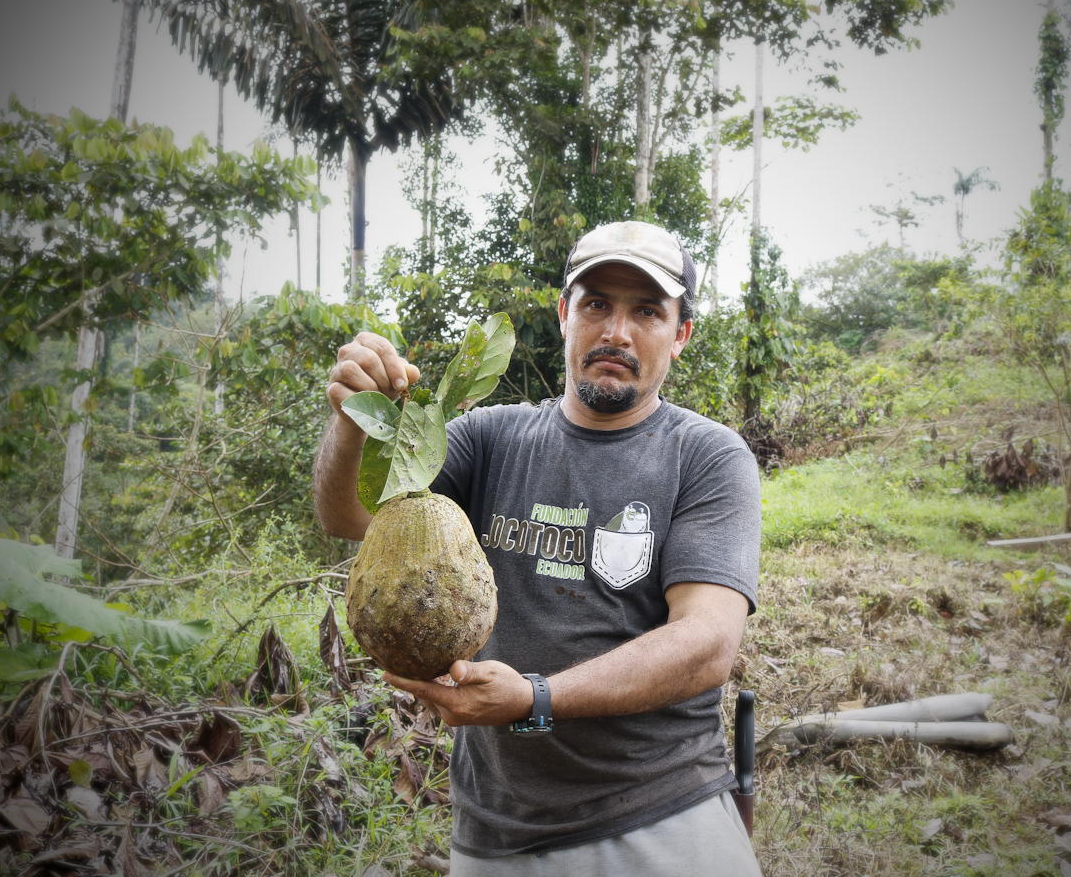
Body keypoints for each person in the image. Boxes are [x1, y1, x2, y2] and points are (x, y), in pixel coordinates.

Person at [314, 220, 762, 876]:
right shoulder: (488, 438)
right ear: (563, 314)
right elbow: (346, 513)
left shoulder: (706, 456)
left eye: (646, 310)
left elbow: (706, 644)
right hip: (494, 830)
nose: (616, 331)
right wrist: (352, 418)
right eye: (596, 304)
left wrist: (536, 696)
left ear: (681, 335)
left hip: (661, 818)